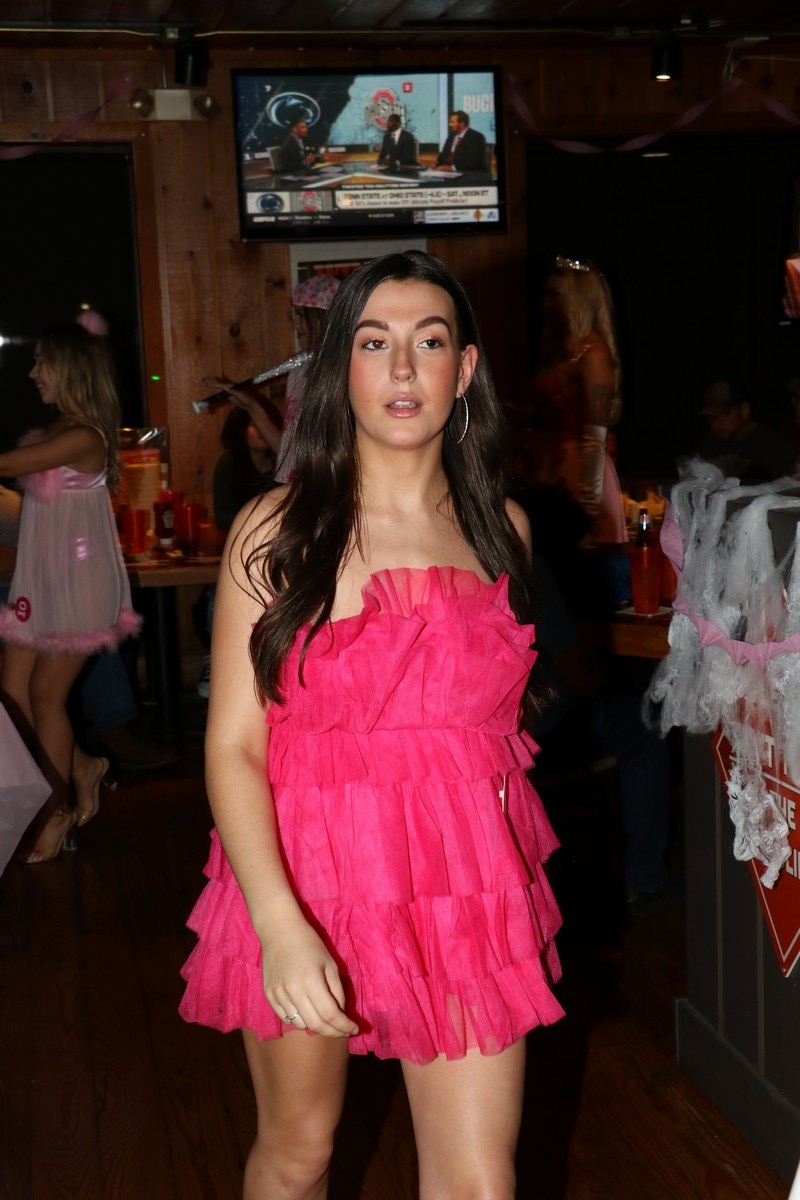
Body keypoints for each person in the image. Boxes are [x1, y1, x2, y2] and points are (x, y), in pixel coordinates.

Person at [179, 250, 563, 1199]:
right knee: (299, 1156)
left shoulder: (502, 530)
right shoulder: (275, 530)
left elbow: (489, 746)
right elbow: (232, 745)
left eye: (428, 343)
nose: (401, 368)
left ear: (463, 371)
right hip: (307, 883)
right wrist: (279, 923)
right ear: (339, 368)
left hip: (465, 893)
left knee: (480, 1181)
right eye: (372, 342)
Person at [0, 322, 140, 863]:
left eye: (42, 363)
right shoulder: (60, 425)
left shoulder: (86, 435)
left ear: (70, 369)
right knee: (13, 696)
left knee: (45, 695)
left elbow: (7, 465)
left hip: (80, 583)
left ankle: (55, 812)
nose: (33, 373)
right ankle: (82, 765)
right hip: (42, 579)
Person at [526, 255, 627, 545]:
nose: (546, 304)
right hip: (551, 472)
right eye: (545, 295)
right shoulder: (564, 352)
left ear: (578, 299)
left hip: (580, 477)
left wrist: (589, 508)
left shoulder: (593, 354)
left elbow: (596, 438)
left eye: (555, 295)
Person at [696, 380, 795, 483]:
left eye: (722, 415)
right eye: (711, 418)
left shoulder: (775, 445)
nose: (715, 425)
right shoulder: (709, 444)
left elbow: (788, 488)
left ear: (744, 410)